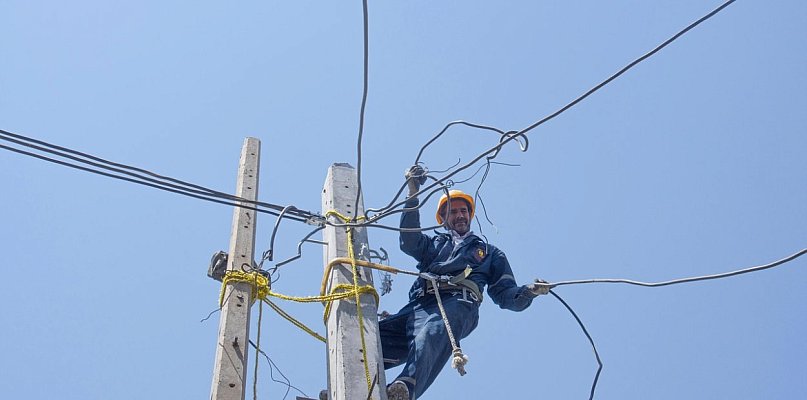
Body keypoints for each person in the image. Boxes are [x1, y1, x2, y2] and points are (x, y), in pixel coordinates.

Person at [379, 166, 551, 400]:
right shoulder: (434, 245)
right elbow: (409, 242)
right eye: (453, 212)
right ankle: (355, 386)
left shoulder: (489, 253)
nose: (460, 215)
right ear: (443, 219)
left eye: (464, 211)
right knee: (372, 339)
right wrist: (413, 193)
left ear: (470, 215)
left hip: (457, 304)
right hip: (419, 305)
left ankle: (403, 389)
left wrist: (529, 292)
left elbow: (505, 294)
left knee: (431, 334)